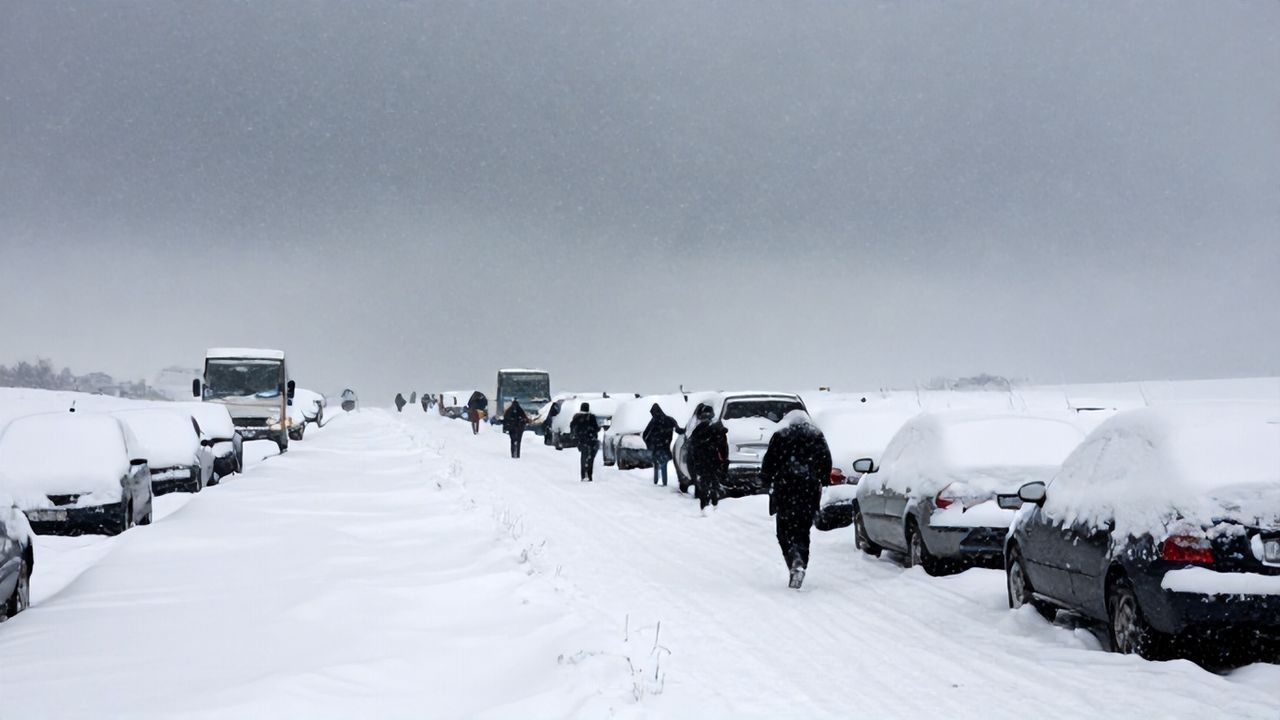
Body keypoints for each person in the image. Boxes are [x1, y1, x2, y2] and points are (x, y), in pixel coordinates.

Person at [760, 411, 832, 590]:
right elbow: (826, 462)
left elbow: (769, 462)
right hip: (808, 491)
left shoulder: (781, 436)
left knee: (783, 530)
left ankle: (793, 557)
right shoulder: (817, 437)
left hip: (785, 490)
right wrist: (821, 478)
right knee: (803, 530)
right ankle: (800, 561)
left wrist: (765, 479)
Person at [685, 403, 728, 513]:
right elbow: (723, 447)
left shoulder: (698, 430)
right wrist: (723, 462)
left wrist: (693, 466)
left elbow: (692, 450)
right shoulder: (718, 429)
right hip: (714, 462)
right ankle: (714, 504)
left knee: (704, 484)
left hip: (703, 463)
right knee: (714, 483)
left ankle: (705, 506)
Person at [642, 403, 683, 487]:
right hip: (665, 446)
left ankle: (656, 482)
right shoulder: (669, 420)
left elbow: (645, 434)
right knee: (664, 465)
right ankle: (664, 483)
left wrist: (649, 444)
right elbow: (678, 430)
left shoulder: (653, 421)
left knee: (656, 465)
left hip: (656, 447)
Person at [569, 402, 600, 481]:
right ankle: (589, 475)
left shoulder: (577, 417)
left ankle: (583, 475)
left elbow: (572, 428)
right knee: (591, 459)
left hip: (581, 441)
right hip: (591, 440)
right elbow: (596, 428)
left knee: (584, 457)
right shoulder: (591, 417)